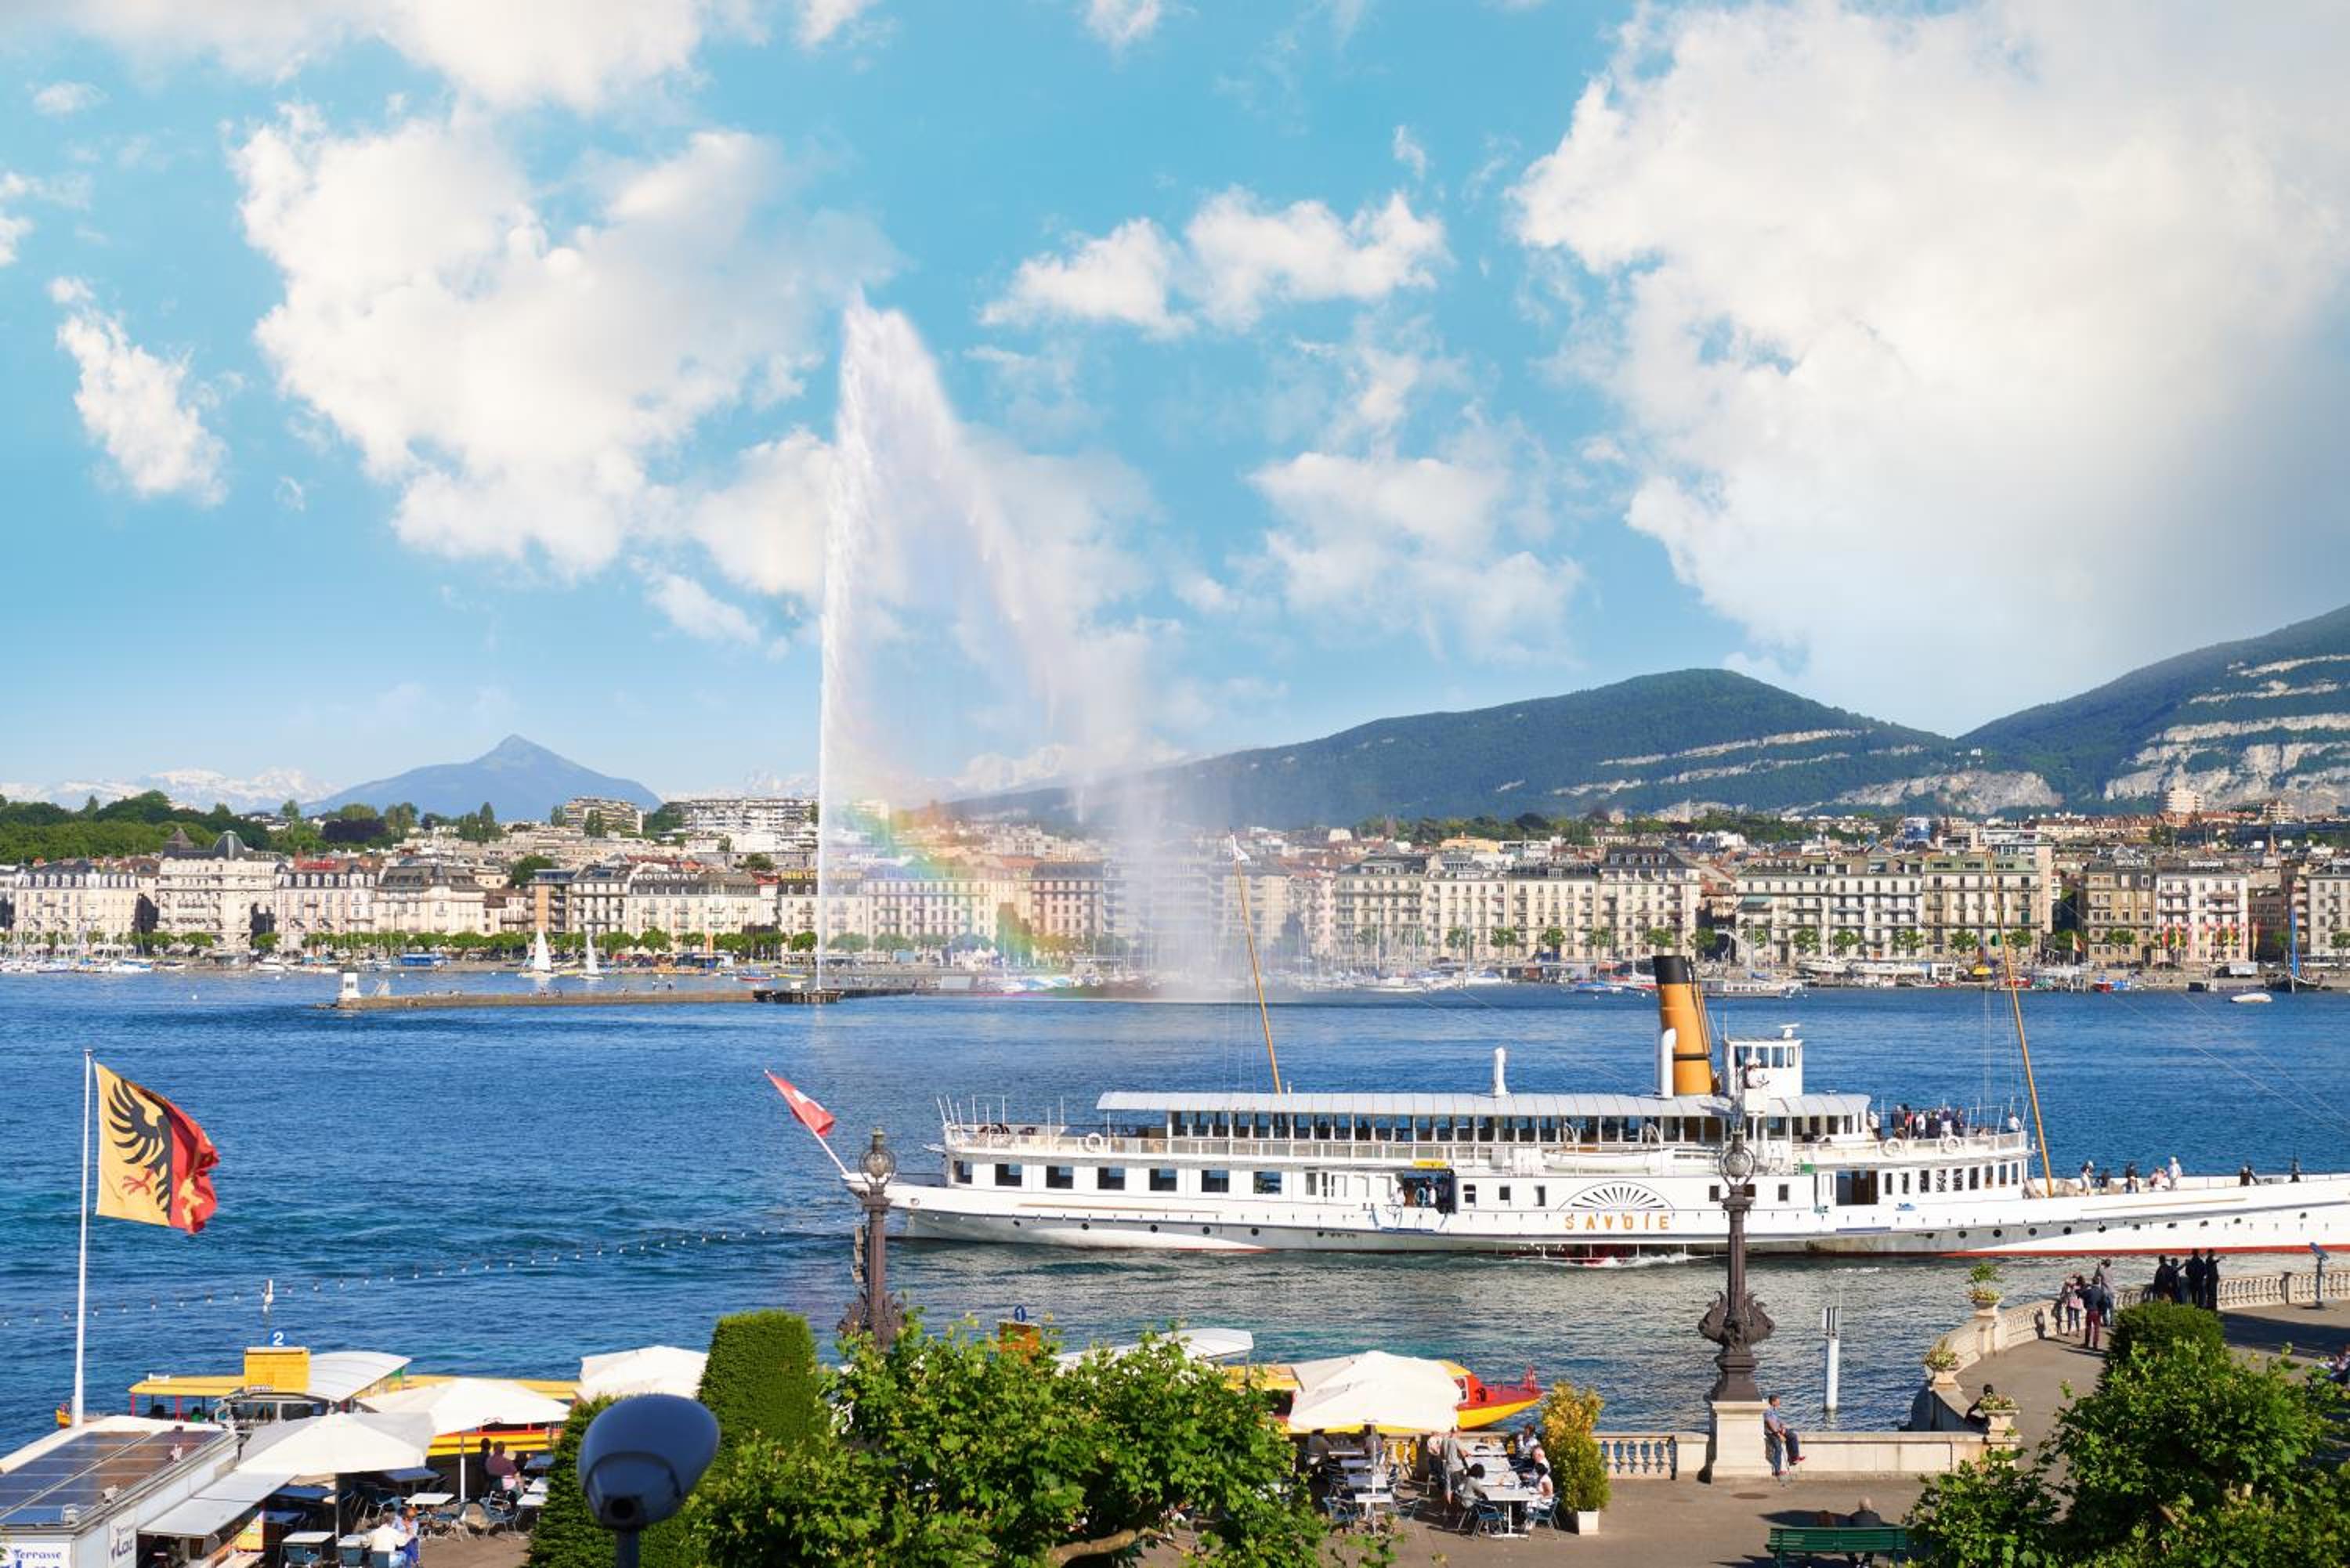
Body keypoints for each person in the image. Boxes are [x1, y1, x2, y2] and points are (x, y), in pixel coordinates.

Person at [1763, 1394, 1803, 1481]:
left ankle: (1794, 1458)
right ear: (1773, 1402)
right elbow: (1770, 1425)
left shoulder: (1774, 1410)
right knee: (1778, 1448)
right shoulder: (1767, 1411)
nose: (1779, 1403)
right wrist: (1779, 1434)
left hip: (1778, 1429)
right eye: (1778, 1401)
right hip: (1772, 1433)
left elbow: (1777, 1420)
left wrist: (1782, 1425)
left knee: (1793, 1436)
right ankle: (1777, 1471)